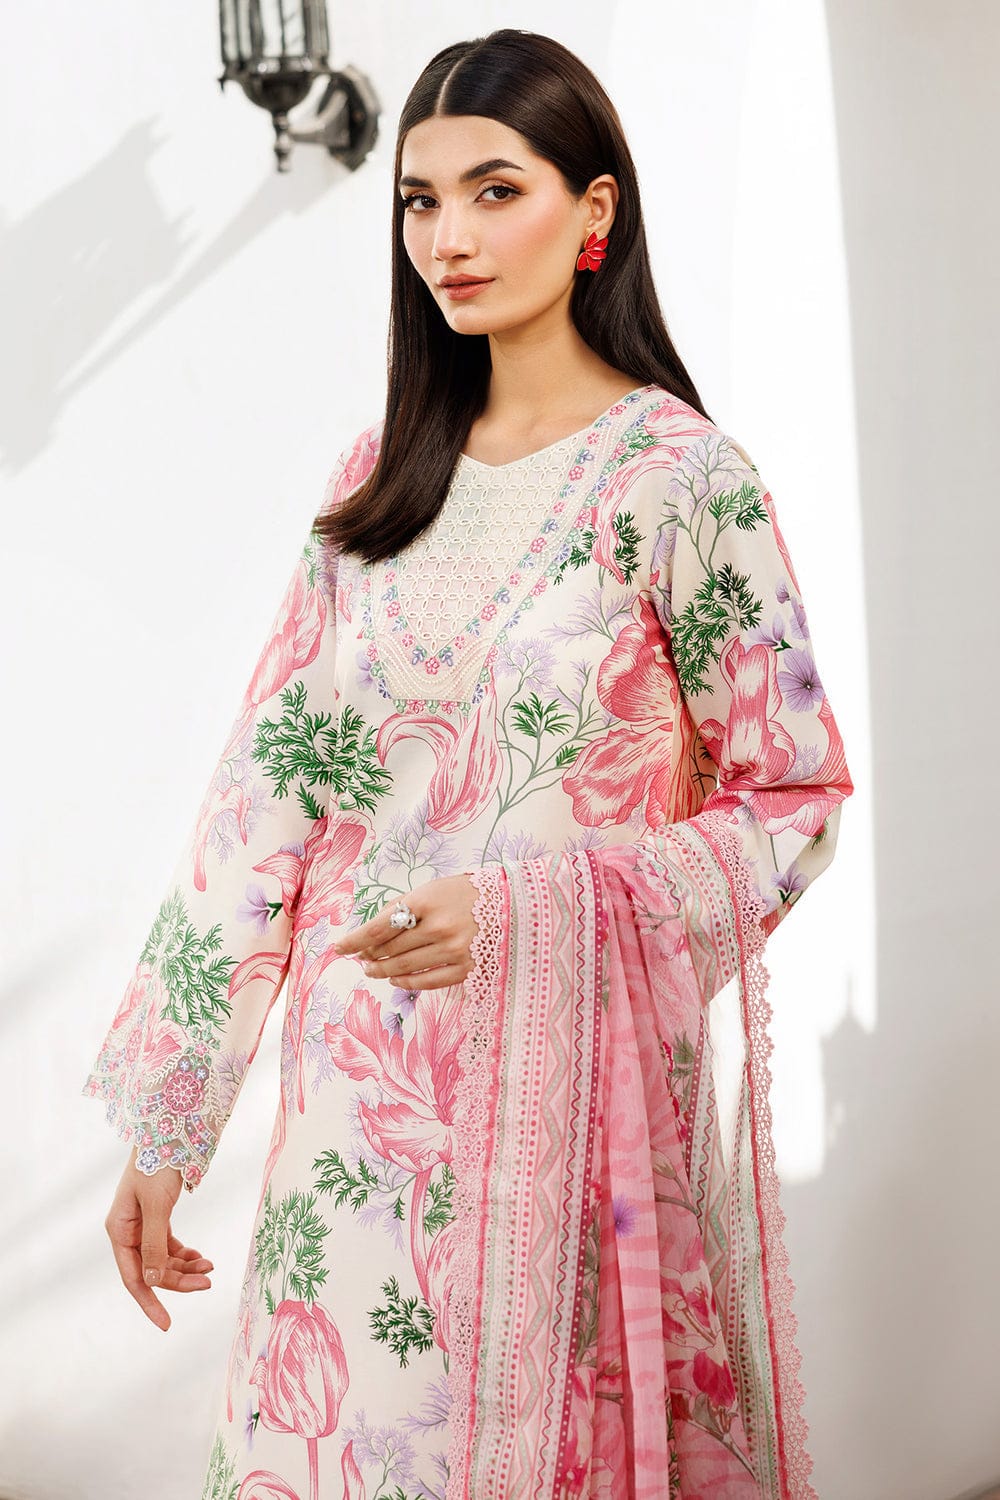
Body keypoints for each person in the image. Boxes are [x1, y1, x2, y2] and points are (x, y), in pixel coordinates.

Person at [82, 27, 852, 1500]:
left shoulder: (680, 482)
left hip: (565, 1133)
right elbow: (268, 803)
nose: (449, 237)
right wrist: (172, 1126)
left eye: (496, 191)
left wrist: (525, 917)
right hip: (349, 1132)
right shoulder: (378, 483)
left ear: (594, 211)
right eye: (421, 201)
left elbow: (794, 803)